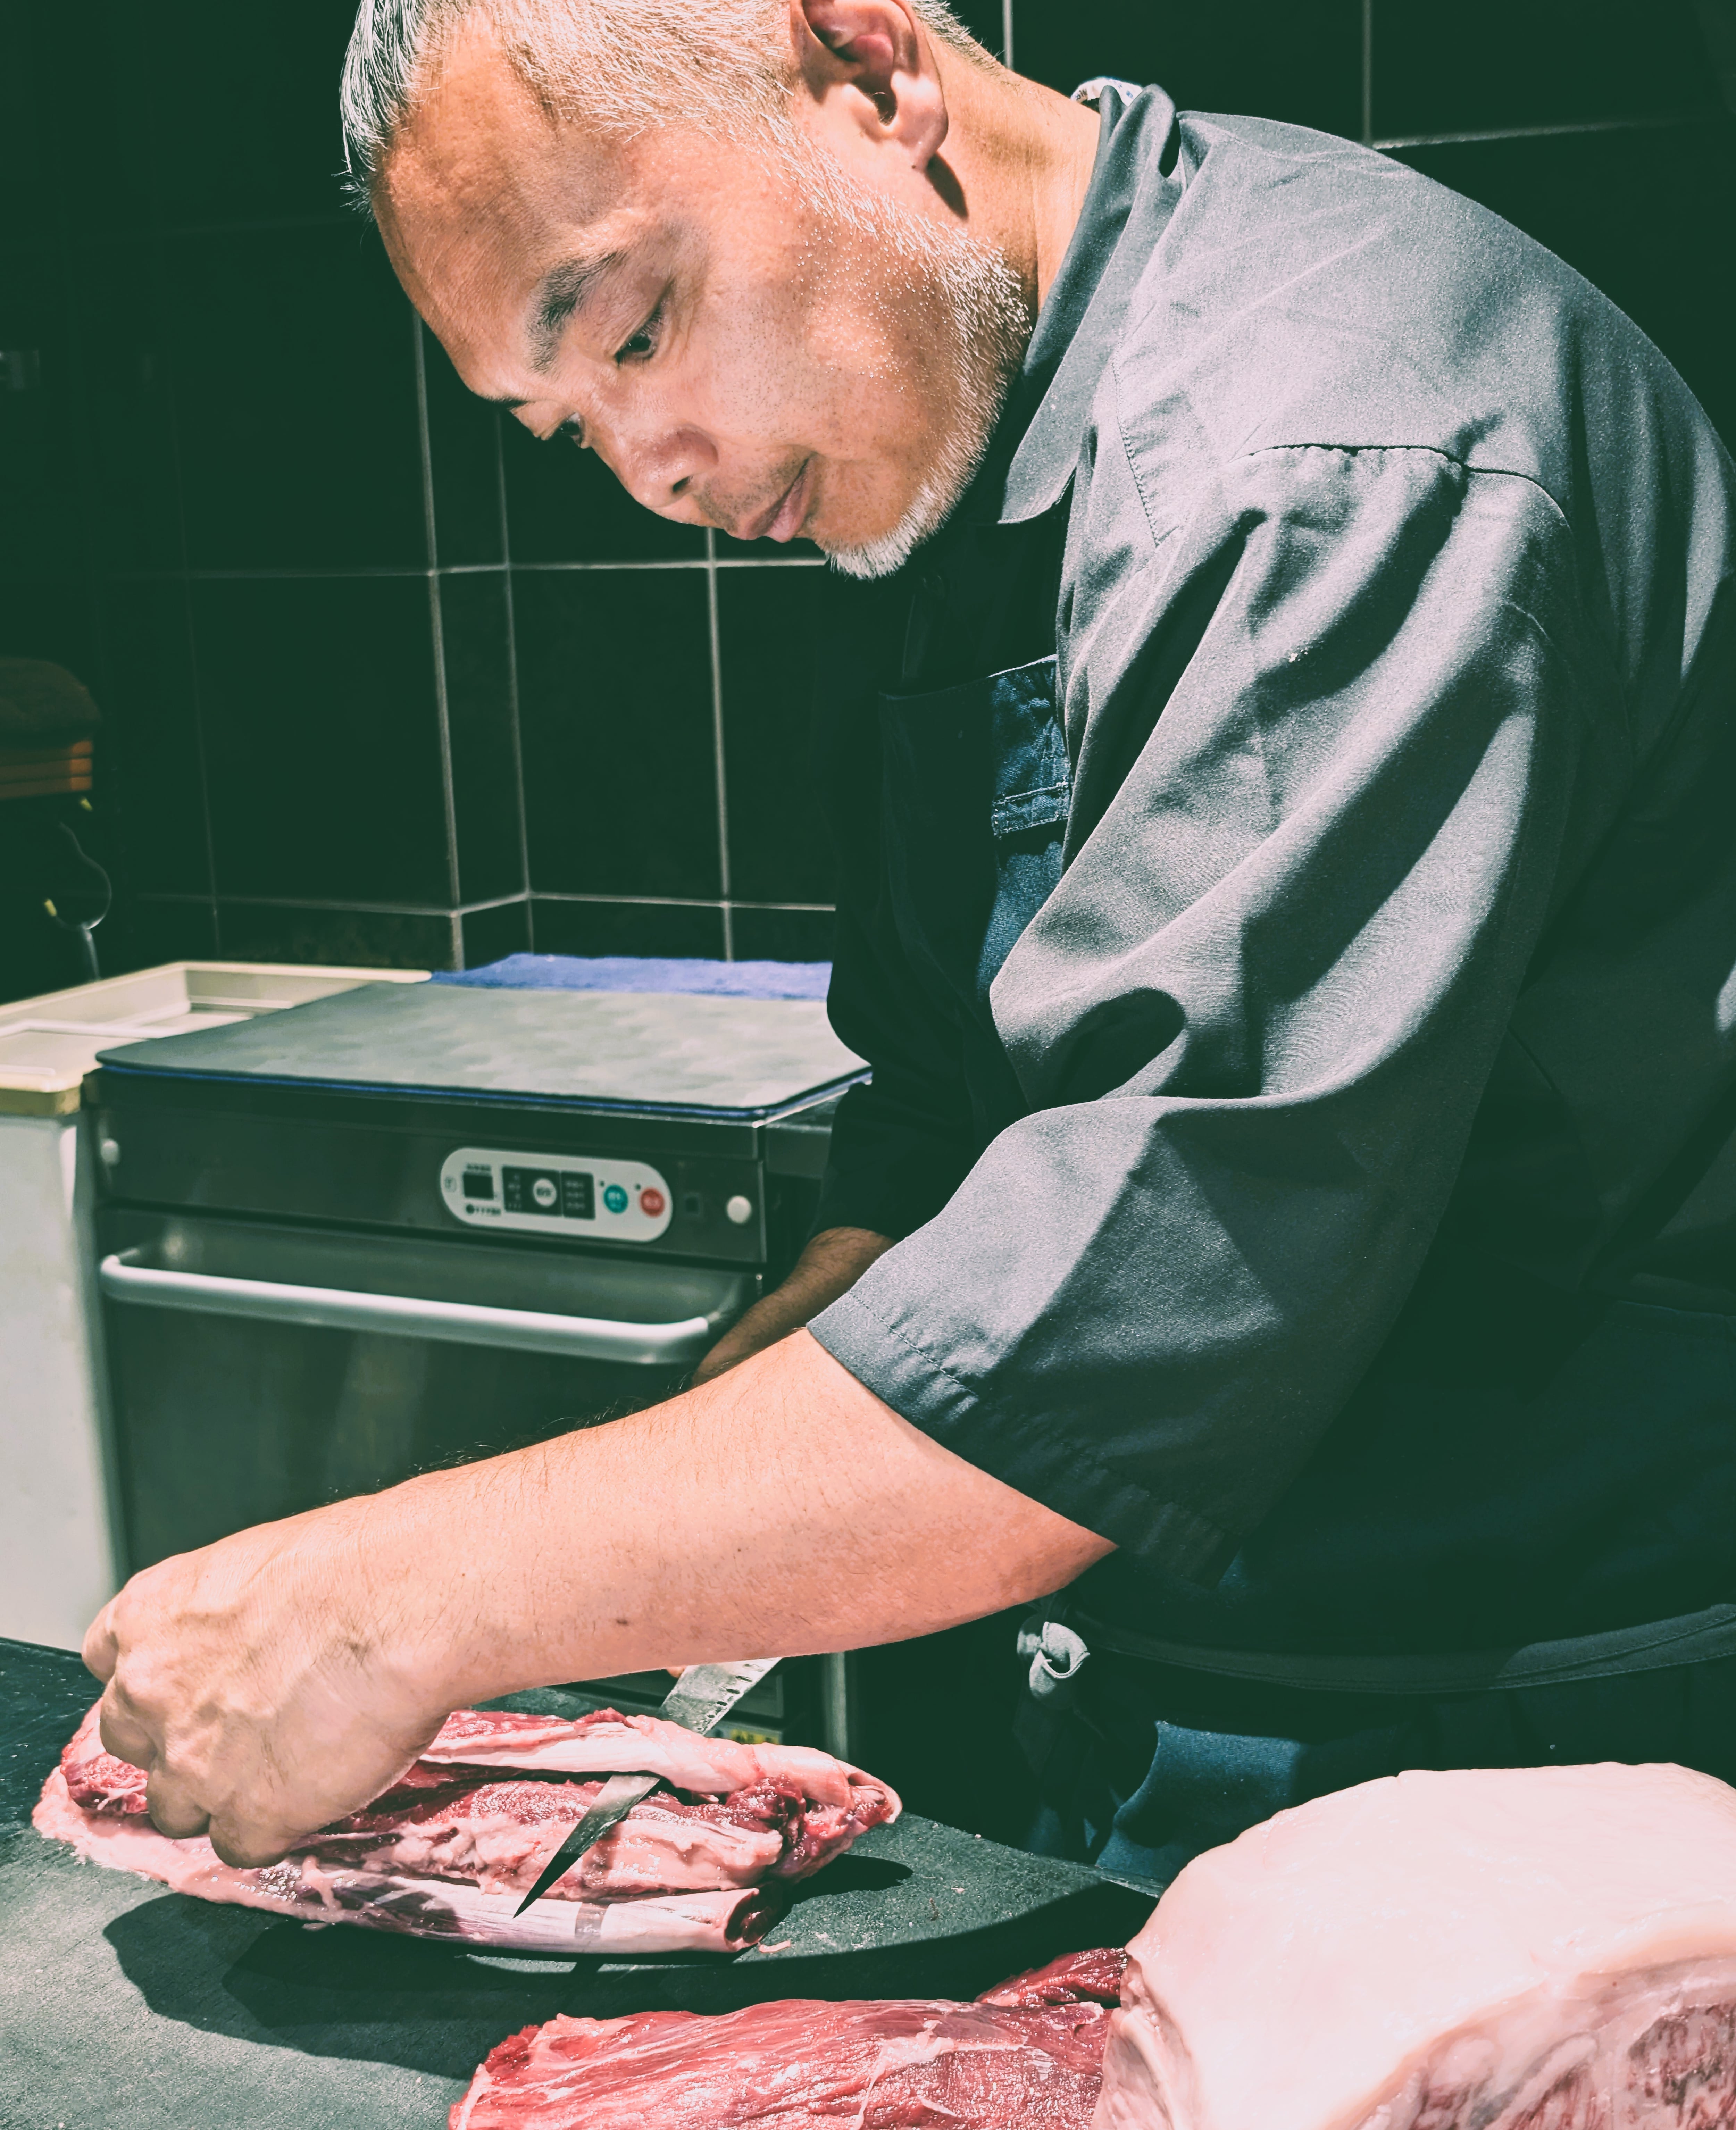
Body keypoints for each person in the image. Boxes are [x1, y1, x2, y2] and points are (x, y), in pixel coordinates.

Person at [87, 0, 1736, 1888]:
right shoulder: (945, 417)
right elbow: (957, 1091)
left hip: (1532, 1733)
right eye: (564, 425)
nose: (652, 471)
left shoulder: (1316, 448)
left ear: (872, 70)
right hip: (1160, 1671)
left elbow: (1135, 1320)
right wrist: (776, 1382)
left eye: (636, 329)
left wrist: (389, 1600)